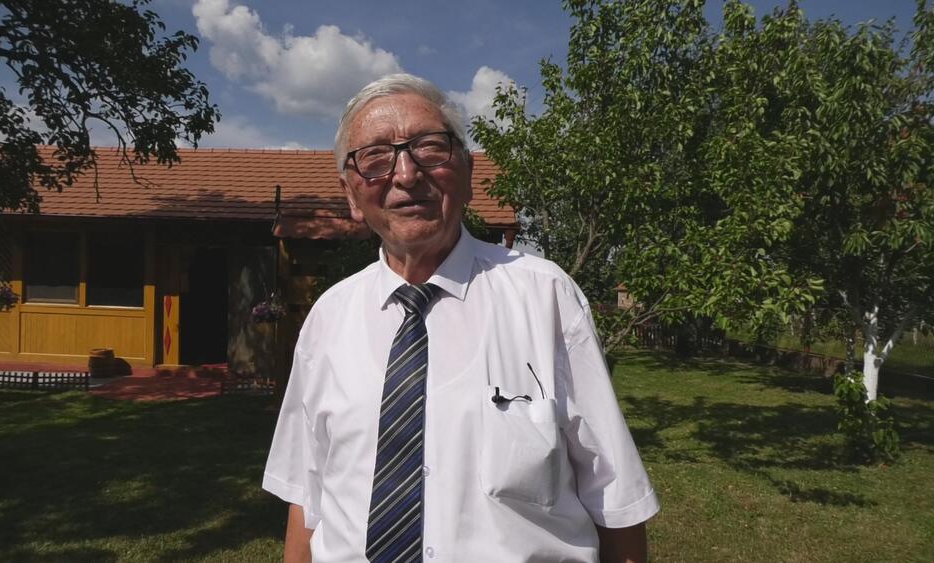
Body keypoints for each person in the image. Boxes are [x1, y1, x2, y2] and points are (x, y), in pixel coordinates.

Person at [263, 73, 659, 563]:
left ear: (468, 173)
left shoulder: (546, 296)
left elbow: (615, 500)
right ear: (351, 195)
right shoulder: (328, 317)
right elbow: (307, 496)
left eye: (429, 147)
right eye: (376, 157)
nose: (406, 174)